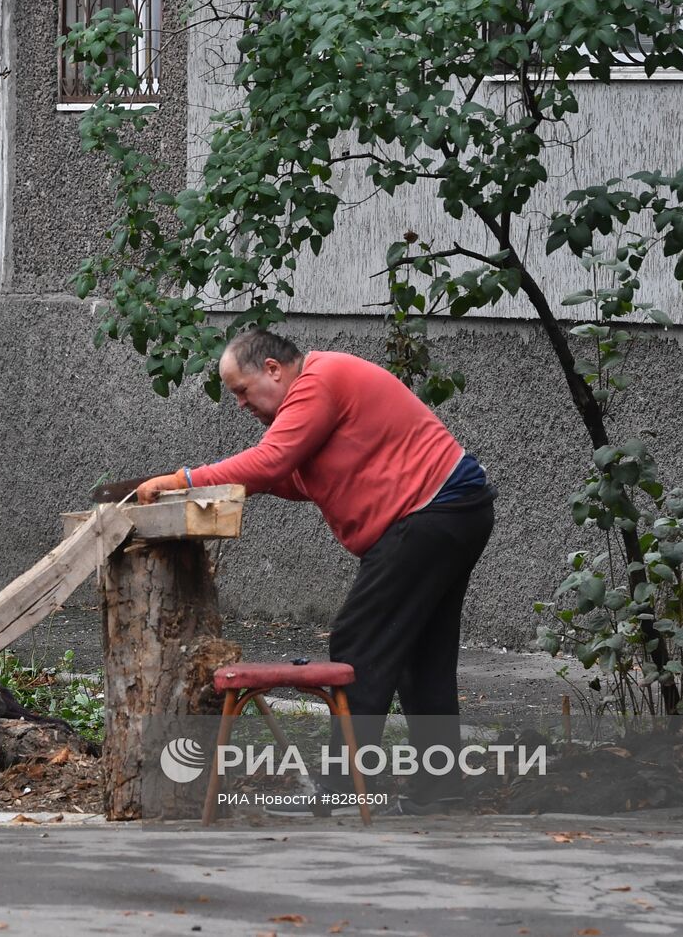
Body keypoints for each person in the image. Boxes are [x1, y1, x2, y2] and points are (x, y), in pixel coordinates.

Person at [136, 329, 495, 814]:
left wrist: (184, 480)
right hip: (453, 510)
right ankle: (442, 789)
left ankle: (342, 791)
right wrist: (224, 485)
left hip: (432, 512)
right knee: (420, 656)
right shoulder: (318, 399)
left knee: (359, 640)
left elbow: (272, 461)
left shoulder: (318, 379)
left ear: (273, 369)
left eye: (241, 390)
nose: (240, 404)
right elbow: (290, 476)